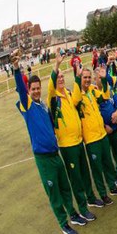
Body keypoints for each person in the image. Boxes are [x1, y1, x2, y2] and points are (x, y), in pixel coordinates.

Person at [12, 50, 86, 234]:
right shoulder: (27, 105)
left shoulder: (44, 106)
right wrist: (15, 68)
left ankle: (73, 214)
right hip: (43, 159)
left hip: (55, 155)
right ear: (29, 91)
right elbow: (20, 88)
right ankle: (63, 223)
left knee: (65, 188)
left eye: (38, 88)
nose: (36, 91)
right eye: (33, 89)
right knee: (54, 193)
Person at [48, 54, 103, 212]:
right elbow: (51, 86)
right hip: (67, 145)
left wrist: (78, 79)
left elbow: (78, 99)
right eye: (58, 77)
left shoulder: (69, 93)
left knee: (85, 173)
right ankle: (82, 207)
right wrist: (57, 66)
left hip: (79, 141)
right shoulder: (53, 97)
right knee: (76, 177)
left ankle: (91, 198)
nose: (60, 79)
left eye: (62, 76)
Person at [74, 65, 117, 204]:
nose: (87, 80)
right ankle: (103, 194)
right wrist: (77, 78)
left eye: (88, 77)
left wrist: (103, 79)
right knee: (97, 168)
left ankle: (112, 187)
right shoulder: (77, 94)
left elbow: (105, 96)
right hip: (91, 139)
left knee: (108, 163)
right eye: (84, 77)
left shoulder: (92, 90)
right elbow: (76, 100)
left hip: (102, 134)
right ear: (80, 79)